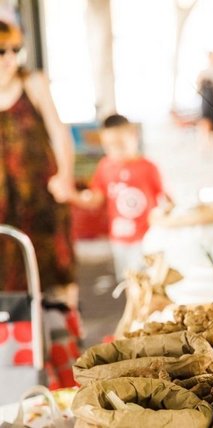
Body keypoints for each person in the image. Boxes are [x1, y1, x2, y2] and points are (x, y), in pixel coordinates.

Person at [0, 19, 79, 388]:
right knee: (11, 285)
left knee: (55, 282)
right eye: (2, 50)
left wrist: (64, 174)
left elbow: (58, 130)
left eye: (15, 50)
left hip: (41, 201)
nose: (9, 58)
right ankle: (23, 381)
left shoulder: (33, 83)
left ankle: (69, 375)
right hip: (3, 208)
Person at [70, 114, 167, 282]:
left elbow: (164, 200)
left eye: (120, 143)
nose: (115, 149)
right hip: (119, 240)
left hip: (146, 238)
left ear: (134, 136)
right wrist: (71, 195)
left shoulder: (148, 168)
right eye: (109, 145)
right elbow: (96, 199)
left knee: (148, 281)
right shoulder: (105, 166)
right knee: (126, 282)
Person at [197, 52, 213, 146]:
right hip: (205, 101)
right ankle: (205, 143)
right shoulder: (203, 72)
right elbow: (198, 85)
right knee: (205, 121)